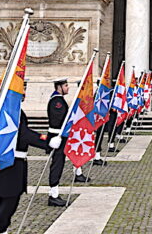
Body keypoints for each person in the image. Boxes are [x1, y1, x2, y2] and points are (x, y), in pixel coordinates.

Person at [0, 85, 57, 234]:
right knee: (8, 199)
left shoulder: (15, 111)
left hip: (16, 162)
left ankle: (3, 229)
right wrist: (46, 142)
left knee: (12, 198)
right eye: (22, 89)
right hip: (10, 162)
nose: (24, 93)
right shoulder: (10, 111)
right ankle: (0, 230)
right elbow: (24, 134)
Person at [47, 78, 88, 208]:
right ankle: (53, 195)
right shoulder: (56, 101)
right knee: (57, 165)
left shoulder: (59, 100)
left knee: (60, 163)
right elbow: (60, 119)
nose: (68, 88)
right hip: (57, 137)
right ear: (59, 87)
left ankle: (55, 192)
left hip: (61, 136)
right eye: (65, 85)